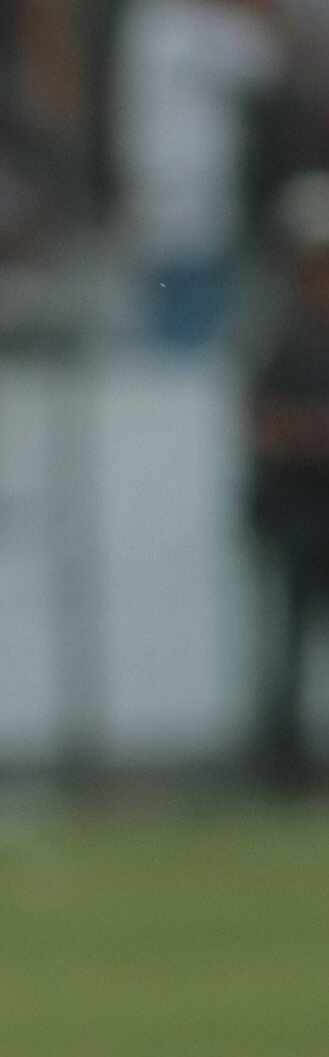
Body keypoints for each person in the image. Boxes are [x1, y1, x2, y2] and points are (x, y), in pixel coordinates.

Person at [248, 174, 329, 781]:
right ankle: (284, 761)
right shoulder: (281, 332)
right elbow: (259, 420)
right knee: (288, 636)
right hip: (297, 507)